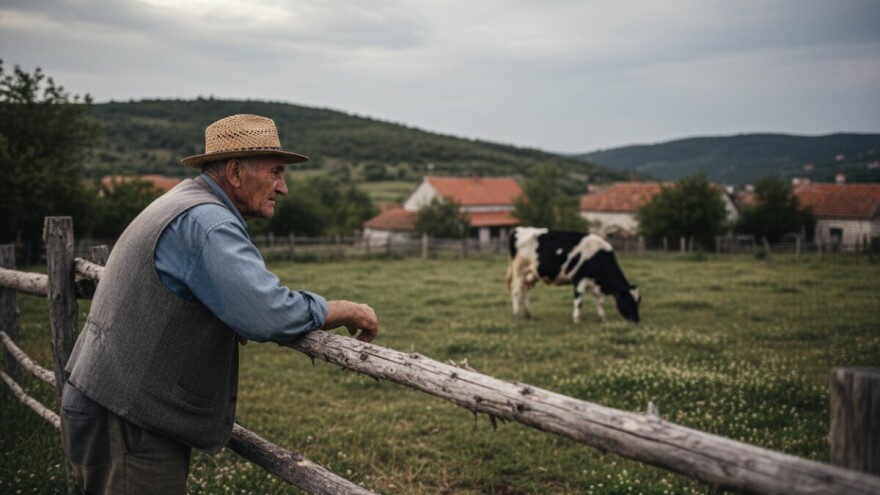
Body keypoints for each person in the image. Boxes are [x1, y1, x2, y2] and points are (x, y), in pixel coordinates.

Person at [60, 114, 379, 494]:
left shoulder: (182, 202)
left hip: (104, 404)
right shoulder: (207, 222)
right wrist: (345, 309)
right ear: (236, 172)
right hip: (129, 425)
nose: (283, 188)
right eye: (276, 172)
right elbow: (268, 313)